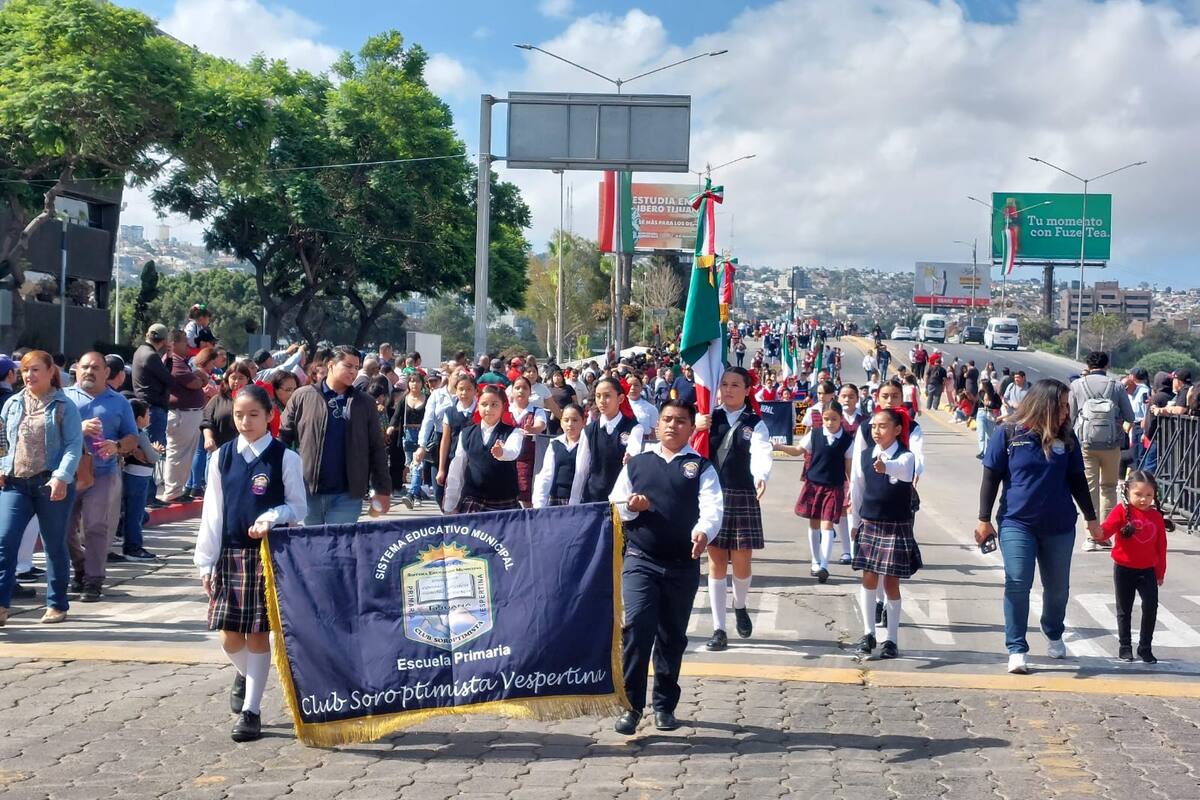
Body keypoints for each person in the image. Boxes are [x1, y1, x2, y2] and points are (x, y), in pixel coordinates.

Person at [195, 384, 306, 742]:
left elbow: (298, 508)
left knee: (259, 634)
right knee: (229, 637)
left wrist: (272, 516)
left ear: (270, 415)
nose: (245, 421)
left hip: (266, 556)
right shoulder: (221, 457)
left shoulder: (284, 457)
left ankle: (252, 711)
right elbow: (212, 512)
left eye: (253, 414)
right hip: (229, 553)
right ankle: (247, 674)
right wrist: (206, 563)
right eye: (239, 415)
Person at [609, 400, 722, 736]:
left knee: (672, 637)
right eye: (667, 420)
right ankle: (631, 706)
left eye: (681, 421)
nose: (673, 426)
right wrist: (631, 507)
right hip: (641, 560)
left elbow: (712, 508)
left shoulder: (701, 467)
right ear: (657, 426)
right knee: (637, 627)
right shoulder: (637, 464)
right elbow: (615, 503)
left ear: (691, 427)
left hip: (682, 564)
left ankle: (664, 705)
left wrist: (703, 532)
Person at [976, 379, 1101, 675]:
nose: (1065, 411)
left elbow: (1077, 480)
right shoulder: (1007, 433)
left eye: (1066, 406)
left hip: (1059, 525)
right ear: (1043, 404)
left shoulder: (1067, 437)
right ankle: (1016, 648)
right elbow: (991, 477)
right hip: (1016, 523)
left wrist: (1092, 519)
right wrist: (983, 519)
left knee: (1057, 589)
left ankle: (1053, 630)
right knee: (1017, 582)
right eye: (1059, 406)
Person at [0, 351, 83, 625]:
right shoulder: (12, 404)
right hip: (16, 483)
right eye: (25, 370)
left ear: (51, 372)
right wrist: (1, 466)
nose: (29, 376)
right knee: (4, 541)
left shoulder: (63, 405)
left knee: (54, 544)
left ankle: (57, 603)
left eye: (35, 370)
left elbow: (73, 446)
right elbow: (3, 443)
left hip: (51, 484)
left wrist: (61, 476)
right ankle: (1, 605)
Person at [694, 368, 772, 651]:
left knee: (741, 562)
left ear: (748, 390)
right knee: (715, 562)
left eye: (735, 385)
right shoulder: (706, 418)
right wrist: (695, 426)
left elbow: (762, 451)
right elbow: (692, 449)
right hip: (713, 496)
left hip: (742, 495)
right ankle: (719, 628)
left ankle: (740, 605)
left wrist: (761, 474)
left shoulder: (755, 424)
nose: (728, 389)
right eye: (724, 384)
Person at [280, 346, 391, 525]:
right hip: (307, 493)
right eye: (348, 366)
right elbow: (283, 439)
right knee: (311, 549)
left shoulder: (365, 403)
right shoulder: (302, 396)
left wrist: (383, 489)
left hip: (347, 494)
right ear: (331, 365)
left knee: (338, 549)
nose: (353, 371)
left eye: (356, 367)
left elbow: (377, 448)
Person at [65, 353, 140, 596]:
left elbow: (132, 438)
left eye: (95, 367)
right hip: (67, 473)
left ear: (106, 372)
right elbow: (48, 432)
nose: (89, 371)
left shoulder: (119, 402)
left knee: (96, 525)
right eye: (84, 367)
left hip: (103, 472)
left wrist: (117, 446)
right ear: (76, 370)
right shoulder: (64, 398)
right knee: (62, 529)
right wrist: (78, 428)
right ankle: (80, 566)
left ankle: (94, 580)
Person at [848, 407, 920, 659]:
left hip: (896, 524)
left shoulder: (906, 456)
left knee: (891, 582)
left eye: (883, 426)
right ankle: (868, 633)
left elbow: (901, 469)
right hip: (871, 522)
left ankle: (891, 639)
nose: (876, 431)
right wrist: (855, 522)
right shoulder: (866, 454)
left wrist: (885, 466)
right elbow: (857, 487)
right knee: (868, 577)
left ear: (898, 430)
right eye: (874, 426)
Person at [1094, 469, 1170, 664]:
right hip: (1124, 569)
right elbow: (1106, 531)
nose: (1143, 499)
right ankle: (1125, 646)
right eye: (1138, 495)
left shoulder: (1156, 517)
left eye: (1149, 495)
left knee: (1151, 607)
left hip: (1148, 570)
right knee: (1124, 609)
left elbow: (1161, 546)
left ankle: (1145, 648)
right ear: (1127, 492)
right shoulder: (1121, 511)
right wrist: (1096, 532)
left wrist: (1160, 572)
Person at [779, 400, 852, 585]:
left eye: (834, 419)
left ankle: (824, 566)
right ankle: (815, 560)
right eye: (826, 419)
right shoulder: (815, 434)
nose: (829, 423)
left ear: (841, 419)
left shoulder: (847, 440)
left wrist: (852, 488)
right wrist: (778, 446)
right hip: (813, 485)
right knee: (814, 525)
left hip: (833, 487)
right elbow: (797, 451)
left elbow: (849, 468)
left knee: (827, 525)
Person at [1069, 351, 1135, 550]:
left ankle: (1091, 536)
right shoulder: (1116, 385)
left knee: (1089, 489)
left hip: (1085, 444)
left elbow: (1071, 417)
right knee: (1108, 487)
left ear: (1088, 365)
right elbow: (1130, 415)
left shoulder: (1077, 385)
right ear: (1107, 365)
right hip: (1111, 444)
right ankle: (1106, 535)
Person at [442, 385, 524, 513]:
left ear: (503, 406)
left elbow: (513, 451)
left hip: (504, 502)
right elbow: (457, 469)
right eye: (484, 404)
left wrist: (502, 452)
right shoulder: (467, 433)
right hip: (473, 501)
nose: (488, 409)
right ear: (477, 405)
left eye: (494, 404)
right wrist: (450, 504)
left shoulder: (514, 432)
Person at [579, 377, 644, 503]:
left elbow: (634, 450)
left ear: (620, 399)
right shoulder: (589, 430)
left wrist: (631, 457)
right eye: (598, 396)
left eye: (607, 396)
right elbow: (581, 471)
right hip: (593, 498)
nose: (602, 401)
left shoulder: (634, 427)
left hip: (621, 499)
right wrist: (574, 502)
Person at [161, 331, 207, 504]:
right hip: (182, 415)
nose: (187, 346)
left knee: (184, 454)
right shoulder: (173, 362)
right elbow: (195, 382)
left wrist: (199, 377)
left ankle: (177, 490)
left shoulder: (181, 362)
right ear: (173, 344)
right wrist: (200, 379)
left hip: (188, 414)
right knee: (178, 454)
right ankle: (173, 492)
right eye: (184, 343)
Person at [121, 399, 162, 562]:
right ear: (139, 419)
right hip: (139, 477)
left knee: (132, 511)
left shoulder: (126, 433)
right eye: (147, 414)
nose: (150, 417)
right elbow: (152, 457)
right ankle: (133, 547)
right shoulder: (141, 434)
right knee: (135, 513)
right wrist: (156, 451)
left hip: (130, 474)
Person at [532, 404, 586, 508]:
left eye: (575, 420)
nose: (570, 424)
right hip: (556, 499)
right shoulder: (555, 444)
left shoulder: (587, 444)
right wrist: (539, 504)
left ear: (583, 422)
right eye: (566, 420)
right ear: (561, 422)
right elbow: (546, 475)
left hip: (579, 500)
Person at [131, 323, 173, 456]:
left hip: (145, 406)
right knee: (153, 453)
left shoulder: (140, 351)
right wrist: (170, 357)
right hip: (154, 408)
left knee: (147, 449)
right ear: (164, 340)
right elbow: (168, 378)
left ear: (147, 335)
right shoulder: (151, 355)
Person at [388, 371, 428, 509]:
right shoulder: (404, 399)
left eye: (417, 381)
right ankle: (416, 495)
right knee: (412, 465)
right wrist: (391, 427)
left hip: (423, 434)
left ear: (422, 383)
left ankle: (412, 494)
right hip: (408, 434)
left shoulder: (427, 398)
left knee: (417, 464)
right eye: (411, 381)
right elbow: (396, 415)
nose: (414, 384)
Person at [509, 376, 547, 508]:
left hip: (527, 459)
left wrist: (533, 429)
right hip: (504, 459)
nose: (521, 391)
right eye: (517, 388)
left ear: (530, 392)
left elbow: (541, 425)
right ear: (511, 391)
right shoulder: (505, 410)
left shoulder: (537, 411)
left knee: (525, 493)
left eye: (525, 388)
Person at [976, 381, 1002, 459]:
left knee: (989, 435)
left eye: (981, 385)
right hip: (981, 414)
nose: (980, 386)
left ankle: (987, 452)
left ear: (985, 386)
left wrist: (990, 404)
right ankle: (982, 452)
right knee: (981, 433)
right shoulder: (981, 393)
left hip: (990, 415)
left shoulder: (994, 395)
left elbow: (998, 405)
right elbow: (978, 404)